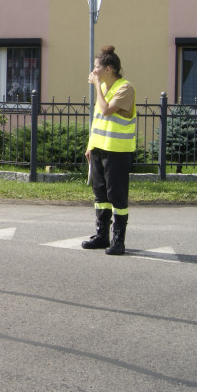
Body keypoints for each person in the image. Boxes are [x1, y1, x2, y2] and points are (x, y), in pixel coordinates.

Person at [82, 45, 137, 255]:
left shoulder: (125, 88)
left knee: (117, 197)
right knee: (100, 195)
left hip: (117, 151)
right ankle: (102, 236)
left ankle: (118, 241)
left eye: (97, 67)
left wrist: (96, 85)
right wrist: (90, 146)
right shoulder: (104, 88)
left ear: (109, 69)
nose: (94, 71)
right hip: (99, 149)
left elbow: (106, 110)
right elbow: (98, 120)